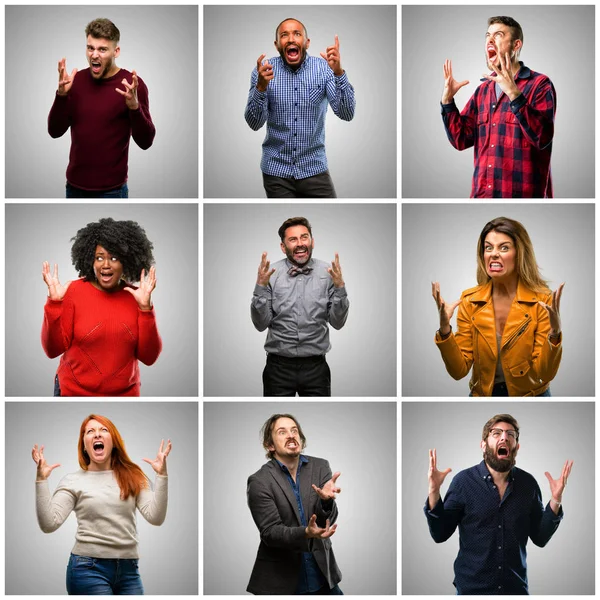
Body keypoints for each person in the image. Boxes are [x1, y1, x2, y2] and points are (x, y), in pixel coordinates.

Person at [425, 413, 573, 595]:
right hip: (472, 591)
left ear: (516, 447)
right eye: (496, 433)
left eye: (511, 434)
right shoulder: (463, 482)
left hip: (515, 590)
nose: (504, 437)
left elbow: (540, 537)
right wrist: (433, 491)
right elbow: (440, 533)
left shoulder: (528, 484)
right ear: (483, 444)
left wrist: (556, 499)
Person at [33, 414, 171, 595]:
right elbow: (49, 523)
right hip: (87, 569)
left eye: (103, 430)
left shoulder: (134, 476)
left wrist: (162, 475)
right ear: (84, 445)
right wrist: (41, 480)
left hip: (129, 571)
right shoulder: (72, 481)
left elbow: (156, 517)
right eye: (90, 431)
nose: (97, 434)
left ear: (113, 441)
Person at [432, 216, 563, 396]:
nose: (494, 253)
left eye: (504, 247)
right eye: (488, 247)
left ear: (519, 253)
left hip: (531, 396)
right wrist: (445, 330)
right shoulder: (469, 300)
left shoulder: (542, 300)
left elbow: (545, 373)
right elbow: (458, 371)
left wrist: (554, 333)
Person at [41, 217, 162, 396]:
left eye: (114, 258)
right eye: (99, 258)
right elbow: (52, 351)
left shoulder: (137, 297)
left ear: (126, 262)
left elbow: (149, 358)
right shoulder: (73, 291)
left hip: (125, 396)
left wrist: (145, 309)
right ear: (91, 260)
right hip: (72, 392)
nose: (105, 265)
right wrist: (54, 304)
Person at [441, 16, 556, 198]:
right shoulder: (483, 90)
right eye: (488, 35)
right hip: (482, 196)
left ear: (516, 45)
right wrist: (447, 102)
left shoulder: (539, 84)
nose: (490, 40)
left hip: (522, 197)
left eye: (498, 35)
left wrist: (514, 94)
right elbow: (461, 140)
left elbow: (542, 138)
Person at [244, 18, 356, 198]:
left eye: (297, 34)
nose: (290, 39)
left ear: (307, 42)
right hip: (276, 172)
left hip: (315, 169)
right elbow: (254, 123)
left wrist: (338, 73)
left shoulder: (325, 69)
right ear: (277, 45)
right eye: (284, 35)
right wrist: (261, 87)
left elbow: (347, 113)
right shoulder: (263, 72)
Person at [48, 18, 155, 198]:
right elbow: (54, 131)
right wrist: (62, 96)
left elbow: (146, 142)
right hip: (74, 187)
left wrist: (135, 108)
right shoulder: (75, 82)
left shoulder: (132, 85)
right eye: (91, 48)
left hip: (113, 190)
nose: (94, 55)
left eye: (102, 49)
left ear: (116, 51)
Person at [251, 216, 349, 396]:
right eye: (293, 239)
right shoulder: (270, 274)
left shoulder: (329, 273)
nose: (300, 243)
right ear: (283, 247)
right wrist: (260, 287)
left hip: (316, 369)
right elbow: (260, 324)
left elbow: (337, 323)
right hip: (278, 368)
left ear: (312, 242)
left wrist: (340, 287)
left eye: (304, 237)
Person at [247, 414, 343, 595]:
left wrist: (326, 501)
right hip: (281, 583)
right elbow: (270, 533)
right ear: (270, 445)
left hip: (323, 576)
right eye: (282, 432)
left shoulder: (321, 466)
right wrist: (306, 533)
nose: (291, 435)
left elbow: (324, 523)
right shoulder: (259, 481)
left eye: (294, 430)